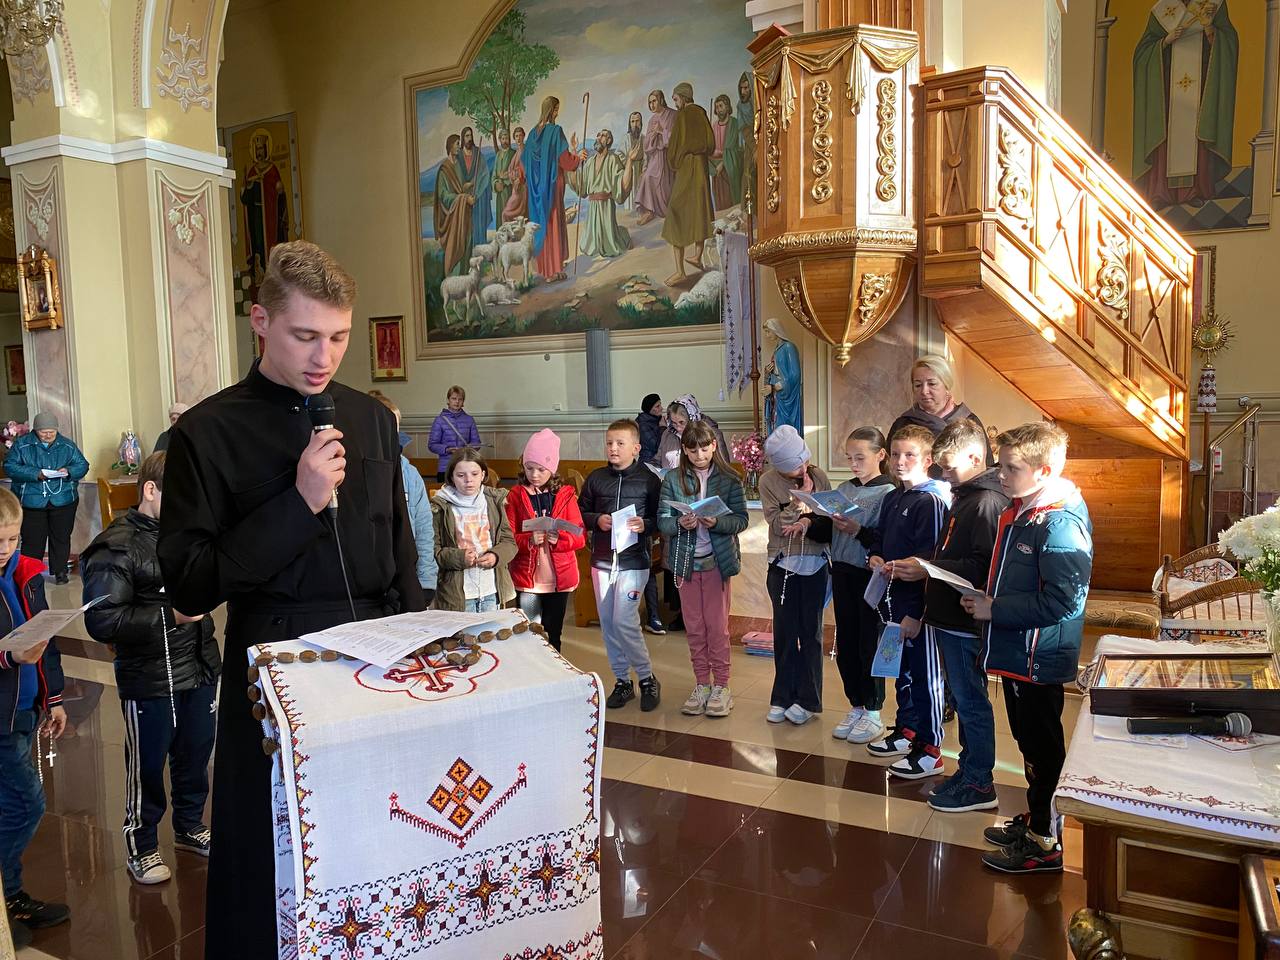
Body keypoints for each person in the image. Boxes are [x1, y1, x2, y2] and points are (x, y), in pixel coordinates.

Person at [156, 240, 426, 958]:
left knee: (380, 851)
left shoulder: (371, 418)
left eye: (338, 337)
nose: (323, 356)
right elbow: (190, 584)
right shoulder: (205, 433)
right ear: (261, 321)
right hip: (274, 669)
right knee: (271, 864)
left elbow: (399, 546)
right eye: (305, 335)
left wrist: (417, 649)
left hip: (377, 660)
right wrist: (298, 502)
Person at [80, 451, 220, 885]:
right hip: (150, 677)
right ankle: (141, 846)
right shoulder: (116, 546)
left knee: (196, 755)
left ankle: (190, 826)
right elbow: (102, 620)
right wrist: (170, 617)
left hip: (198, 665)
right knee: (147, 767)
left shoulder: (189, 537)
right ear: (151, 490)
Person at [964, 422, 1092, 874]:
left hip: (1038, 654)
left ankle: (1046, 841)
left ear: (1045, 470)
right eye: (1000, 465)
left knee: (1042, 747)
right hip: (1020, 651)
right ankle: (1039, 817)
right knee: (1029, 742)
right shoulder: (1025, 509)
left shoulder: (1058, 522)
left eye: (1011, 468)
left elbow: (1065, 600)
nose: (1001, 475)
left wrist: (994, 609)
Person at [887, 419, 1008, 812]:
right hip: (948, 616)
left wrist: (928, 568)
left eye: (950, 466)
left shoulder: (985, 501)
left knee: (971, 703)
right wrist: (929, 565)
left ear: (974, 457)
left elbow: (981, 567)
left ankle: (979, 782)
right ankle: (969, 770)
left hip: (964, 619)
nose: (944, 474)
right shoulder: (966, 495)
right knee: (964, 698)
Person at [0, 486, 68, 948]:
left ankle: (11, 896)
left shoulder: (26, 573)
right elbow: (15, 652)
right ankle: (6, 894)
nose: (5, 549)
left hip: (24, 710)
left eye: (12, 539)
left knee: (11, 803)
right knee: (27, 804)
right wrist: (9, 657)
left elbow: (46, 641)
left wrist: (54, 698)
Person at [865, 425, 952, 780]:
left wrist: (917, 612)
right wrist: (874, 555)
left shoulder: (930, 501)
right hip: (891, 598)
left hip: (918, 607)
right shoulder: (893, 497)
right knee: (900, 671)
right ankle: (907, 731)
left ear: (928, 460)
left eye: (910, 455)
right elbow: (881, 538)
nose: (901, 461)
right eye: (896, 454)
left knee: (924, 677)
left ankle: (931, 750)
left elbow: (929, 562)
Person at [657, 420, 748, 718]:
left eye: (705, 449)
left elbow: (741, 520)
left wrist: (717, 522)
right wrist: (679, 523)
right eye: (693, 450)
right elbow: (662, 521)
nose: (699, 455)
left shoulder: (729, 478)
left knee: (717, 628)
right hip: (685, 562)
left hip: (716, 562)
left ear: (714, 446)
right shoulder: (673, 479)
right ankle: (702, 685)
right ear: (684, 450)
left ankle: (721, 686)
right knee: (694, 628)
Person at [812, 427, 896, 745]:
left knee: (868, 643)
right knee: (846, 642)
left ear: (880, 455)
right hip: (842, 571)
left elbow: (887, 540)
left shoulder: (889, 492)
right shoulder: (844, 488)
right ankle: (856, 705)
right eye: (849, 458)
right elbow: (827, 531)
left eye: (860, 458)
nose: (854, 464)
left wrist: (857, 529)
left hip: (869, 575)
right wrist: (808, 516)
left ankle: (873, 710)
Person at [578, 419, 662, 711]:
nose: (613, 448)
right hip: (602, 561)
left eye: (620, 443)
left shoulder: (649, 480)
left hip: (633, 562)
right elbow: (580, 511)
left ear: (636, 448)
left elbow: (660, 519)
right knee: (608, 624)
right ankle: (622, 681)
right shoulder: (596, 478)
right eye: (609, 443)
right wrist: (596, 520)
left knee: (624, 621)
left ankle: (647, 678)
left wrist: (645, 524)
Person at [759, 425, 830, 725]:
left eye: (804, 462)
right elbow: (776, 525)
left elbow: (827, 519)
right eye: (795, 467)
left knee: (810, 634)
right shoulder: (767, 481)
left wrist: (810, 517)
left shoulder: (819, 476)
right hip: (782, 565)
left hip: (815, 564)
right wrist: (797, 503)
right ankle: (782, 696)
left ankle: (809, 700)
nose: (803, 470)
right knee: (785, 633)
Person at [505, 429, 585, 650]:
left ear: (552, 469)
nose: (535, 475)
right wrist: (529, 540)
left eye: (541, 469)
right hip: (528, 579)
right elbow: (507, 538)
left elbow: (579, 536)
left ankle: (555, 669)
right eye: (529, 468)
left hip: (559, 580)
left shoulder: (566, 495)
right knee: (530, 634)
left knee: (553, 634)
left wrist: (559, 539)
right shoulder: (515, 496)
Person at [5, 412, 90, 585]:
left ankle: (60, 571)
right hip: (31, 501)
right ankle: (31, 574)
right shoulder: (22, 444)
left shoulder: (67, 445)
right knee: (33, 540)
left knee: (61, 537)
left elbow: (83, 465)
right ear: (35, 430)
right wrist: (36, 473)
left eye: (52, 431)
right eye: (44, 432)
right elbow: (10, 466)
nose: (48, 435)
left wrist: (69, 471)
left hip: (63, 500)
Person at [369, 391, 437, 603]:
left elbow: (424, 530)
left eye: (396, 427)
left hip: (406, 576)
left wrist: (426, 580)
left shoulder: (410, 474)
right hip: (369, 582)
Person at [431, 448, 515, 612]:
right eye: (461, 475)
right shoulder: (441, 506)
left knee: (491, 628)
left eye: (474, 474)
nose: (468, 480)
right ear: (451, 477)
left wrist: (495, 556)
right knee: (463, 630)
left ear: (483, 475)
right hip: (457, 593)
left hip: (491, 589)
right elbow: (434, 550)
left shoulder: (494, 501)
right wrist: (460, 557)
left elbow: (509, 542)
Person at [887, 355, 994, 471]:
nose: (924, 391)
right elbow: (888, 466)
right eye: (918, 385)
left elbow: (986, 467)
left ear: (946, 385)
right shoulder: (903, 423)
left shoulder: (968, 422)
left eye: (932, 384)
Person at [523, 96, 583, 283]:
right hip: (552, 186)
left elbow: (525, 162)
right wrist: (578, 157)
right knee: (553, 224)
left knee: (542, 225)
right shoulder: (555, 131)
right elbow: (565, 160)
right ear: (552, 110)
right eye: (556, 109)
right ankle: (554, 271)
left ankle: (546, 268)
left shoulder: (532, 135)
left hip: (536, 191)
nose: (557, 113)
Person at [662, 82, 715, 287]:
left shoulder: (683, 115)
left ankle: (680, 271)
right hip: (700, 169)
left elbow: (674, 147)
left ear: (683, 98)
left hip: (686, 169)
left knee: (675, 213)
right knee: (699, 209)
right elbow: (710, 144)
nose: (675, 104)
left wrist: (674, 161)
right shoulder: (701, 113)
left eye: (676, 99)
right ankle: (697, 256)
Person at [568, 128, 638, 258]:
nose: (599, 138)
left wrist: (629, 161)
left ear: (609, 140)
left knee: (611, 244)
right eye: (598, 135)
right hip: (593, 208)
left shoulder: (613, 159)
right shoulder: (589, 162)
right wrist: (573, 151)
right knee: (588, 245)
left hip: (606, 206)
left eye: (603, 135)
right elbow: (580, 184)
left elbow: (622, 183)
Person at [434, 133, 476, 277]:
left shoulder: (458, 164)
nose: (459, 146)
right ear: (450, 146)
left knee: (466, 242)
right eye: (457, 144)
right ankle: (454, 280)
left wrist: (467, 186)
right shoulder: (444, 169)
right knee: (455, 247)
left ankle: (465, 279)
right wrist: (464, 198)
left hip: (462, 212)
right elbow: (443, 195)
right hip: (452, 215)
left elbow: (459, 187)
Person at [634, 90, 677, 225]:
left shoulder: (672, 115)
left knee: (663, 184)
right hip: (655, 156)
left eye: (654, 101)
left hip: (669, 157)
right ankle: (649, 211)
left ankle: (664, 210)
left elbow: (676, 138)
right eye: (650, 102)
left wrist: (661, 131)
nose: (651, 105)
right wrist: (653, 136)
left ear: (661, 100)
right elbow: (647, 144)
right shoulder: (652, 120)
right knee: (646, 177)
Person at [654, 394, 728, 470]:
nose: (678, 428)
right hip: (669, 477)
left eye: (682, 422)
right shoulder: (667, 434)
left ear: (691, 418)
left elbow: (723, 466)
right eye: (674, 423)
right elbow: (657, 461)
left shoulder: (712, 434)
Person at [428, 385, 482, 482]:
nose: (457, 402)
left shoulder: (469, 419)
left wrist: (468, 448)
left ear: (463, 402)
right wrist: (447, 449)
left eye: (460, 399)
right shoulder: (439, 420)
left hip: (465, 466)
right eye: (454, 398)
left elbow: (477, 443)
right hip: (446, 467)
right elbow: (432, 445)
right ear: (448, 400)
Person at [763, 318, 803, 436]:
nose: (767, 335)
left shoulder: (789, 347)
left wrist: (775, 387)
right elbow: (778, 370)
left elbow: (795, 374)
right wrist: (768, 372)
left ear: (776, 330)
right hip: (777, 395)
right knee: (775, 426)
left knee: (784, 428)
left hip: (786, 395)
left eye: (768, 331)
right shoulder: (777, 349)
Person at [459, 126, 494, 248]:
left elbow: (484, 173)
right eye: (467, 136)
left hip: (477, 195)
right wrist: (465, 185)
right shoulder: (459, 155)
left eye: (471, 136)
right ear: (462, 138)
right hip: (463, 194)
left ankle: (480, 249)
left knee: (478, 222)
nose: (469, 138)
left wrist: (475, 182)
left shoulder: (477, 153)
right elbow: (456, 173)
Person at [710, 93, 741, 209]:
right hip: (716, 166)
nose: (718, 110)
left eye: (721, 106)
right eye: (717, 107)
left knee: (730, 198)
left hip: (730, 166)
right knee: (720, 198)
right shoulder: (714, 126)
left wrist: (723, 163)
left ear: (727, 107)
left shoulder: (735, 124)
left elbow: (737, 148)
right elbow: (711, 147)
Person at [500, 126, 528, 224]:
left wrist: (519, 177)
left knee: (506, 213)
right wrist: (509, 174)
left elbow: (526, 169)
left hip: (522, 188)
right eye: (516, 136)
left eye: (520, 135)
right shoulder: (517, 152)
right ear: (514, 138)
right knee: (506, 214)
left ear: (523, 136)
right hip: (516, 189)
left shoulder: (526, 151)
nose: (518, 138)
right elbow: (510, 169)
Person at [736, 71, 756, 206]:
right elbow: (744, 129)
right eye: (741, 88)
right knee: (748, 173)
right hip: (750, 145)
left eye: (746, 88)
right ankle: (749, 208)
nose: (743, 91)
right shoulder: (740, 106)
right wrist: (754, 148)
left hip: (764, 140)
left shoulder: (758, 101)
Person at [492, 128, 517, 225]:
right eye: (503, 138)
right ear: (500, 140)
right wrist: (495, 184)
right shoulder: (498, 155)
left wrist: (505, 180)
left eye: (506, 138)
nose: (505, 141)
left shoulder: (513, 153)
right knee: (500, 217)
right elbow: (494, 173)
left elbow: (516, 171)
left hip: (509, 190)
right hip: (499, 192)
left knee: (509, 216)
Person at [624, 111, 646, 211]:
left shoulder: (644, 138)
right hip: (628, 170)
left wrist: (644, 169)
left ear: (641, 123)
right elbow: (619, 155)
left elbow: (647, 157)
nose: (635, 124)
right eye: (632, 121)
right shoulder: (625, 139)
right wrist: (628, 161)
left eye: (637, 121)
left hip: (640, 170)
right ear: (629, 124)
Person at [637, 393, 664, 465]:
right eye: (657, 406)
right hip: (648, 462)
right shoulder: (643, 425)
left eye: (660, 405)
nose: (661, 408)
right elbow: (657, 446)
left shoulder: (657, 420)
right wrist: (662, 427)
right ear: (649, 409)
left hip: (657, 461)